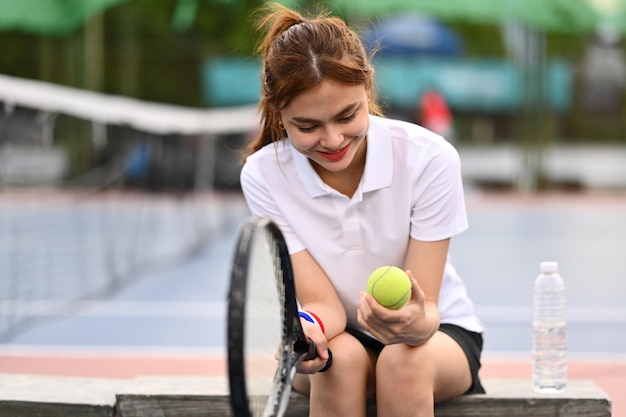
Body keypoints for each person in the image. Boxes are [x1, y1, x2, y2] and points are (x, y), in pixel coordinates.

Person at [239, 3, 485, 416]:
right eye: (307, 126)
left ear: (367, 88)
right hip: (333, 336)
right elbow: (323, 305)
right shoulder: (263, 175)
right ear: (280, 115)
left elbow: (425, 314)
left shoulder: (430, 158)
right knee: (341, 364)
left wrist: (413, 323)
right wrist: (309, 333)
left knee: (401, 361)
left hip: (438, 337)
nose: (333, 139)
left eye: (347, 115)